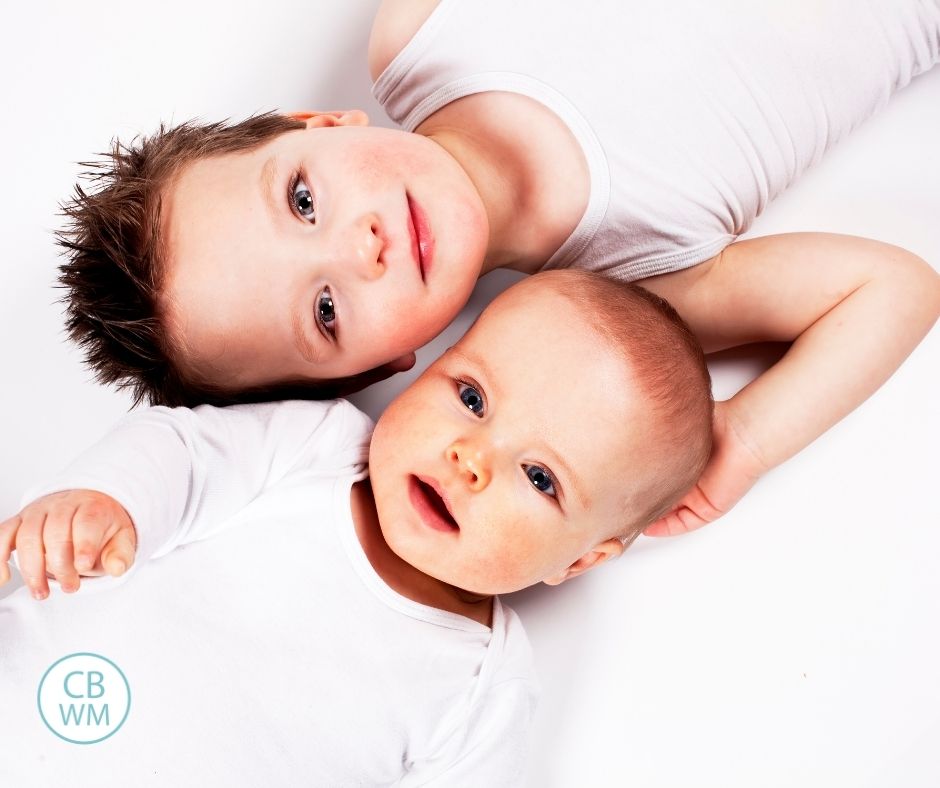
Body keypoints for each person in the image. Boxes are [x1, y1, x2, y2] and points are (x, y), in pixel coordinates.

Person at [55, 0, 940, 537]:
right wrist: (737, 443)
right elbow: (892, 289)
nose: (357, 246)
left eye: (300, 200)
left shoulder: (424, 33)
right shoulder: (643, 281)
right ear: (394, 362)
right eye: (326, 311)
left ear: (320, 125)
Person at [0, 270, 713, 784]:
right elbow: (183, 455)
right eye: (471, 397)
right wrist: (109, 500)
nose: (472, 460)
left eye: (539, 477)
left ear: (581, 559)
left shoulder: (480, 687)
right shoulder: (316, 449)